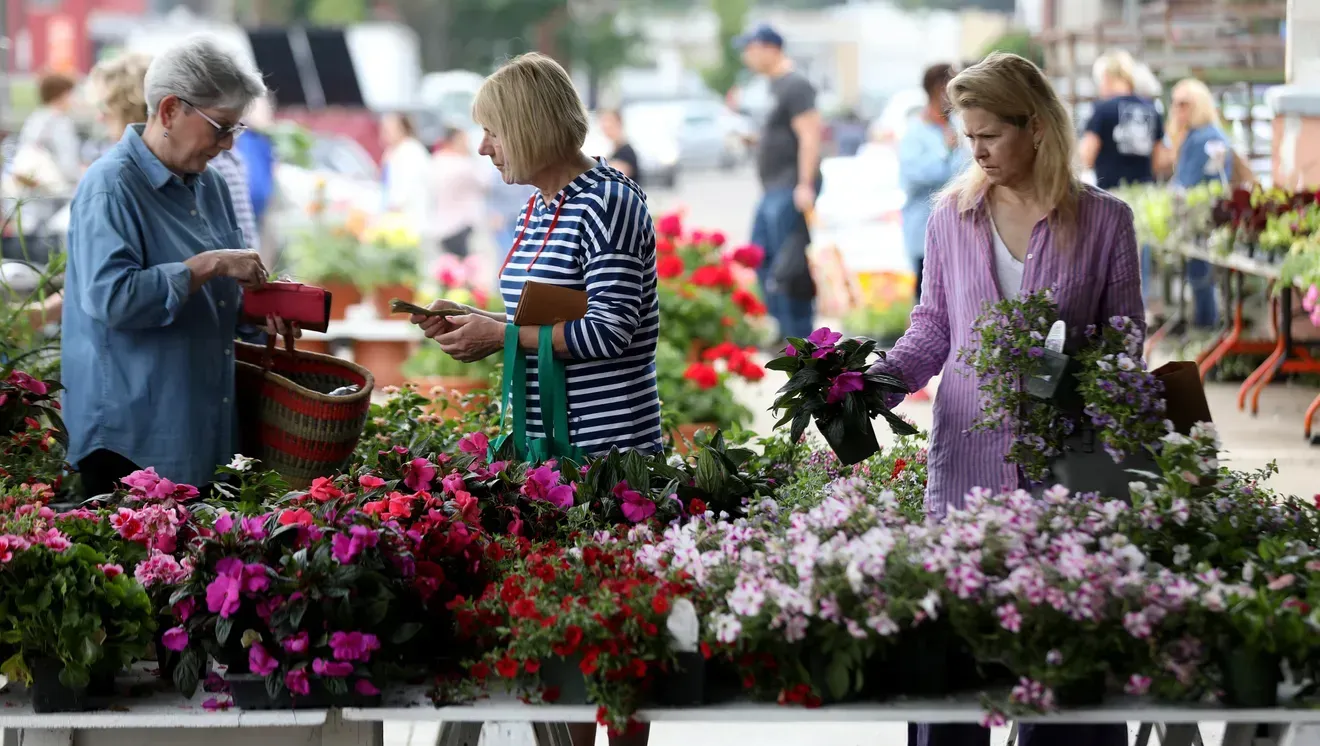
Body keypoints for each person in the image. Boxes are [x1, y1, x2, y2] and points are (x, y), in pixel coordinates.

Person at [873, 53, 1142, 746]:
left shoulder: (1106, 222)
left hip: (1071, 476)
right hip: (968, 464)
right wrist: (880, 379)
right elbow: (933, 328)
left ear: (1039, 127)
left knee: (1065, 685)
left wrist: (1088, 379)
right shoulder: (950, 217)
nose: (978, 151)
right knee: (953, 681)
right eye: (970, 137)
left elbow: (1126, 342)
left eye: (991, 133)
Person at [408, 55, 660, 746]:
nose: (483, 148)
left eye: (491, 131)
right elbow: (546, 313)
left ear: (528, 125)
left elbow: (612, 328)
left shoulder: (606, 200)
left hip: (604, 453)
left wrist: (503, 336)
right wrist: (471, 318)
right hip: (552, 451)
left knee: (615, 630)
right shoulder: (546, 204)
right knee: (568, 625)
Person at [61, 34, 294, 497]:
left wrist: (263, 305)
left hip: (201, 430)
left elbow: (215, 295)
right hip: (130, 442)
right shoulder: (111, 186)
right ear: (169, 110)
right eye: (219, 127)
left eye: (236, 130)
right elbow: (115, 299)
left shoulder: (210, 187)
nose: (228, 145)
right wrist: (209, 265)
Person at [738, 23, 822, 343]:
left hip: (790, 187)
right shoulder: (773, 87)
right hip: (773, 188)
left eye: (750, 48)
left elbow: (810, 135)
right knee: (761, 257)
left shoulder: (795, 84)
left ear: (769, 48)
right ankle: (783, 329)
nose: (747, 56)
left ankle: (800, 338)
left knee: (789, 266)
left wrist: (805, 184)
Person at [1167, 77, 1255, 329]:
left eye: (1184, 103)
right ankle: (1208, 325)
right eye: (1175, 103)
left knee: (1201, 274)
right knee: (1201, 273)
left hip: (1201, 216)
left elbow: (1189, 182)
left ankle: (1207, 327)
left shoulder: (1202, 138)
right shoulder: (1208, 135)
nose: (1177, 109)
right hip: (1208, 214)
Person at [899, 63, 967, 305]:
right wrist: (945, 151)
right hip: (925, 228)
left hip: (962, 229)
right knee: (929, 300)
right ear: (938, 90)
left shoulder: (962, 126)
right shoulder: (914, 133)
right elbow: (916, 175)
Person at [1079, 49, 1167, 191]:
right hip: (1146, 192)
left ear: (1106, 77)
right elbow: (1159, 161)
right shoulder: (1152, 109)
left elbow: (1087, 156)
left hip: (1111, 195)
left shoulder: (1102, 109)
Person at [428, 126, 488, 260]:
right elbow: (484, 184)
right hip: (461, 225)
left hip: (441, 225)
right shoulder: (463, 164)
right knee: (465, 269)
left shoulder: (436, 161)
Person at [14, 72, 83, 188]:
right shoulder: (60, 122)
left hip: (31, 189)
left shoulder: (35, 118)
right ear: (62, 95)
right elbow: (67, 163)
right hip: (53, 193)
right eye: (71, 94)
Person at [379, 112, 431, 232]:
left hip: (410, 218)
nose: (384, 134)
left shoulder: (412, 151)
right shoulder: (391, 151)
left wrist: (395, 206)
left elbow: (407, 187)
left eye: (388, 129)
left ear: (402, 128)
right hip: (393, 218)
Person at [598, 108, 642, 185]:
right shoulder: (614, 151)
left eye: (609, 122)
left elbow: (614, 176)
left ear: (619, 124)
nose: (605, 126)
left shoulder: (626, 152)